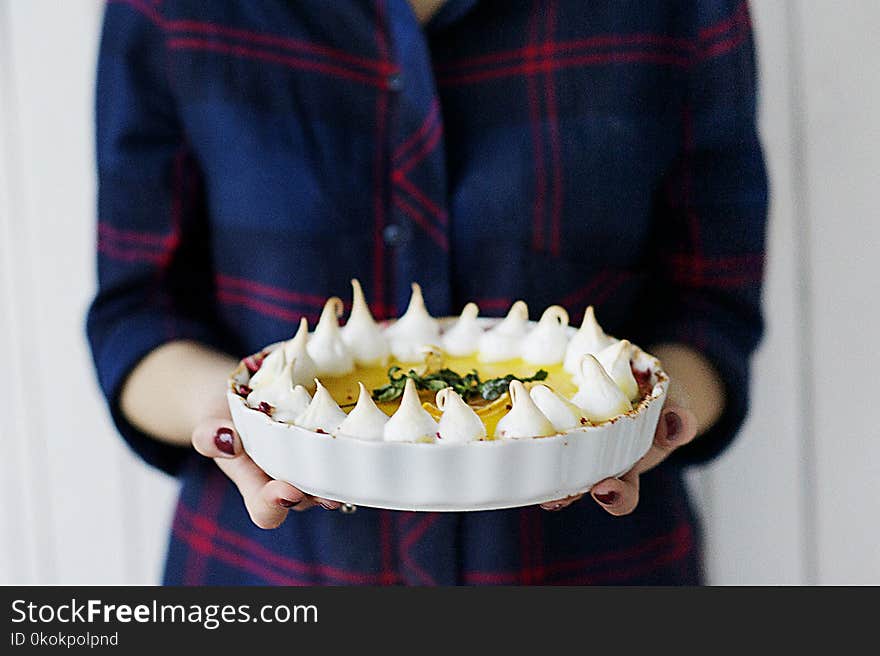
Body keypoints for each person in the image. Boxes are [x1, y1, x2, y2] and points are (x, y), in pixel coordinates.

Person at [87, 0, 766, 585]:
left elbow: (710, 308)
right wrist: (230, 416)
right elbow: (138, 310)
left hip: (598, 570)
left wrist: (657, 414)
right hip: (268, 572)